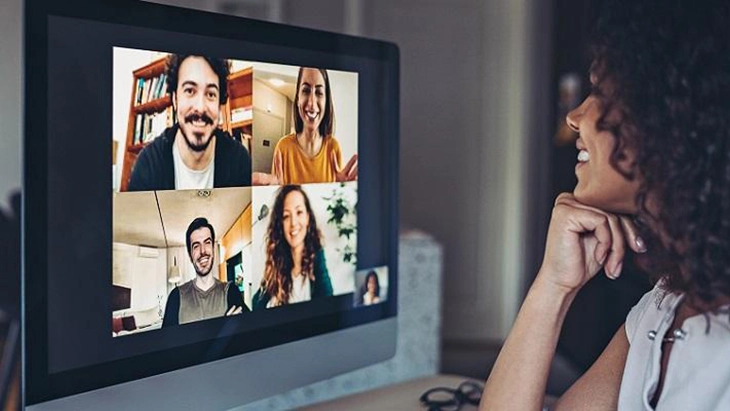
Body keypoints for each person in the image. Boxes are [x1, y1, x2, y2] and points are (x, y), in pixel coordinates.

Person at [481, 0, 730, 409]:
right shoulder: (665, 305)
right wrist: (554, 287)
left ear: (670, 118)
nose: (575, 117)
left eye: (601, 91)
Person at [128, 54, 252, 191]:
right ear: (175, 99)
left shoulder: (239, 161)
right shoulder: (148, 164)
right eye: (190, 91)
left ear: (219, 104)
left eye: (211, 94)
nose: (200, 107)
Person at [253, 67, 358, 185]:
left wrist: (342, 190)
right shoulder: (283, 148)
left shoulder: (333, 148)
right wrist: (274, 193)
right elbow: (276, 195)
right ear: (298, 98)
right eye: (306, 91)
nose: (311, 103)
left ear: (326, 100)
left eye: (319, 92)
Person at [252, 185, 333, 309]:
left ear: (307, 217)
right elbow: (256, 304)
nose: (293, 223)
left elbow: (329, 307)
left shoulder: (317, 260)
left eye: (299, 212)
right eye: (286, 216)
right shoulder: (277, 265)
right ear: (281, 224)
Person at [163, 217, 245, 327]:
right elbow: (167, 342)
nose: (203, 251)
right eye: (196, 246)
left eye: (207, 243)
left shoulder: (231, 292)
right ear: (190, 255)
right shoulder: (176, 297)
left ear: (213, 248)